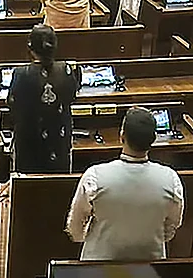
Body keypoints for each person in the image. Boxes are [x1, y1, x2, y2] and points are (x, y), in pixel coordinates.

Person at [65, 107, 184, 261]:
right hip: (149, 268)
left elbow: (75, 227)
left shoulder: (94, 176)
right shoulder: (171, 179)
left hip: (98, 268)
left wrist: (86, 238)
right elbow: (171, 228)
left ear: (122, 136)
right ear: (153, 139)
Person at [7, 25, 77, 173]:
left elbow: (12, 104)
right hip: (58, 143)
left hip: (30, 143)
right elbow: (72, 97)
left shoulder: (22, 74)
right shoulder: (66, 70)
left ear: (30, 48)